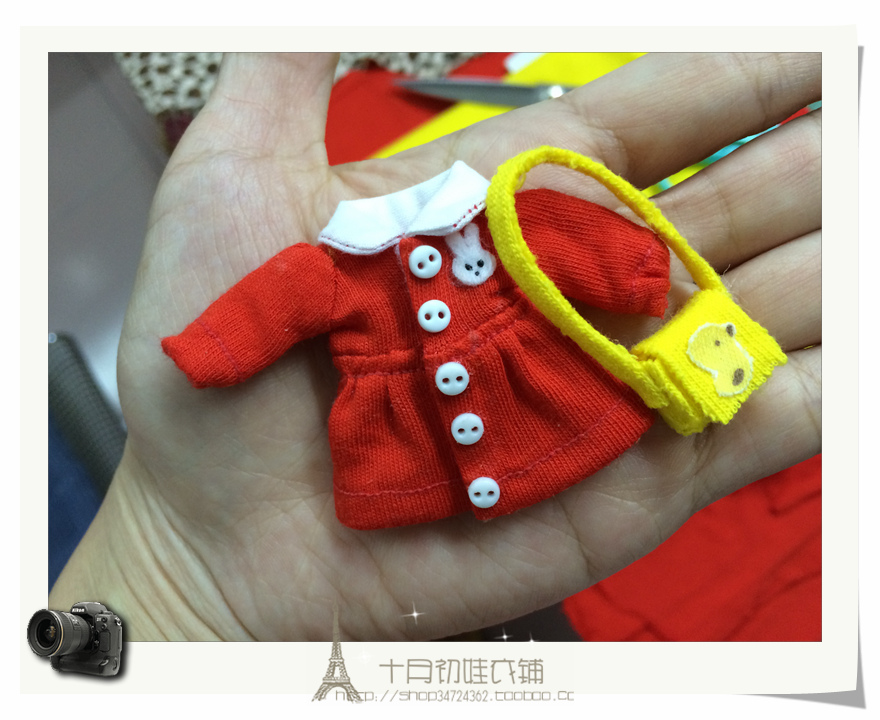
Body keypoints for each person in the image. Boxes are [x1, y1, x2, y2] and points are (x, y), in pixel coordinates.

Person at [48, 52, 821, 641]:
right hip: (407, 457)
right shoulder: (332, 267)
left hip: (557, 406)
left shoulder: (504, 218)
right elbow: (264, 311)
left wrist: (641, 274)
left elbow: (579, 244)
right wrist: (207, 350)